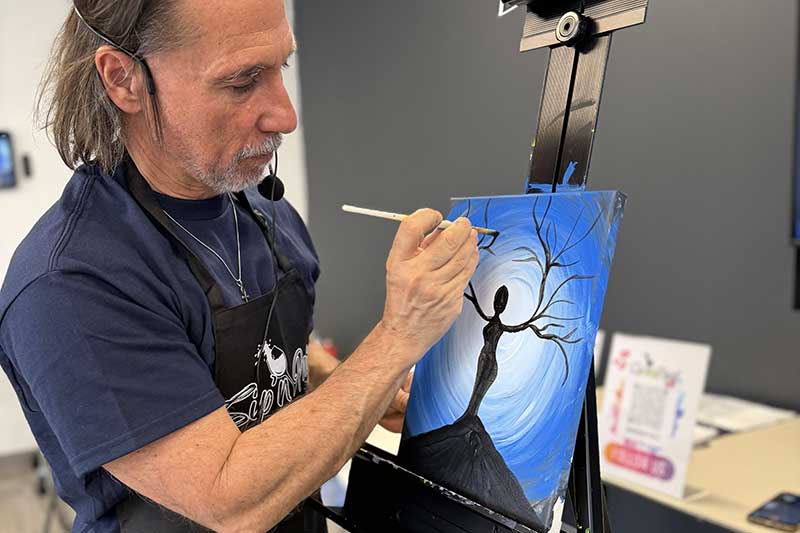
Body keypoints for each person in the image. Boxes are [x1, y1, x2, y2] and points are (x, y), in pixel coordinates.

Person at [0, 1, 479, 531]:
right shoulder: (71, 284)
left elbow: (272, 354)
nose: (286, 117)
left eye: (281, 67)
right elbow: (228, 501)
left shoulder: (266, 213)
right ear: (124, 80)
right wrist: (395, 341)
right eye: (242, 81)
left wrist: (351, 383)